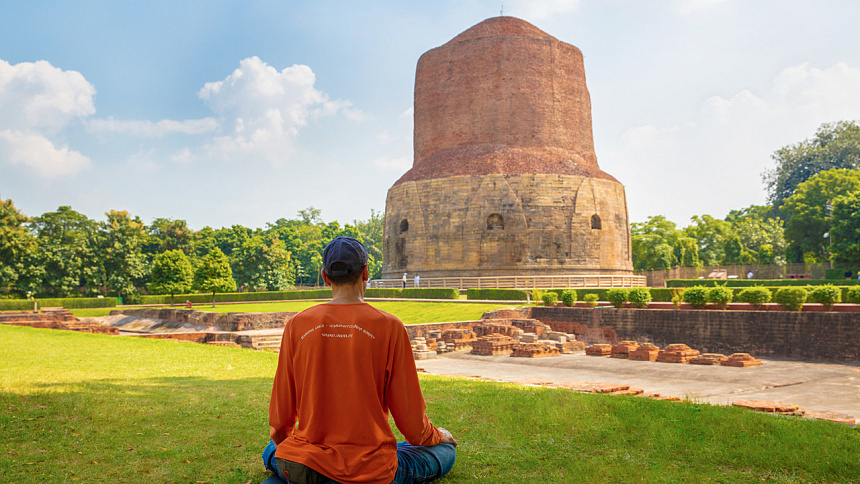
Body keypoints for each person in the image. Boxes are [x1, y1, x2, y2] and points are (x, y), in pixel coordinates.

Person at [263, 237, 457, 484]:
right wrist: (437, 435)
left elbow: (280, 424)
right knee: (444, 451)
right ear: (366, 272)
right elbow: (414, 428)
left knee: (271, 449)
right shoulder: (388, 326)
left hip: (306, 462)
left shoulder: (297, 325)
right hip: (368, 470)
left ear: (325, 276)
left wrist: (292, 447)